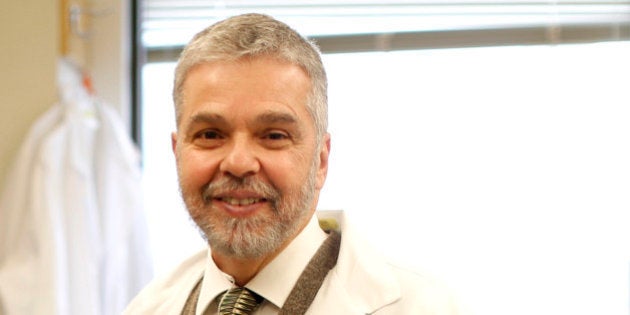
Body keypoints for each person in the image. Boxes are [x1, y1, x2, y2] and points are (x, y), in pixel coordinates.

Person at [125, 13, 464, 315]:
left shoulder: (421, 307)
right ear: (177, 151)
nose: (239, 163)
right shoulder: (148, 307)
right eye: (210, 134)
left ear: (321, 160)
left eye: (273, 135)